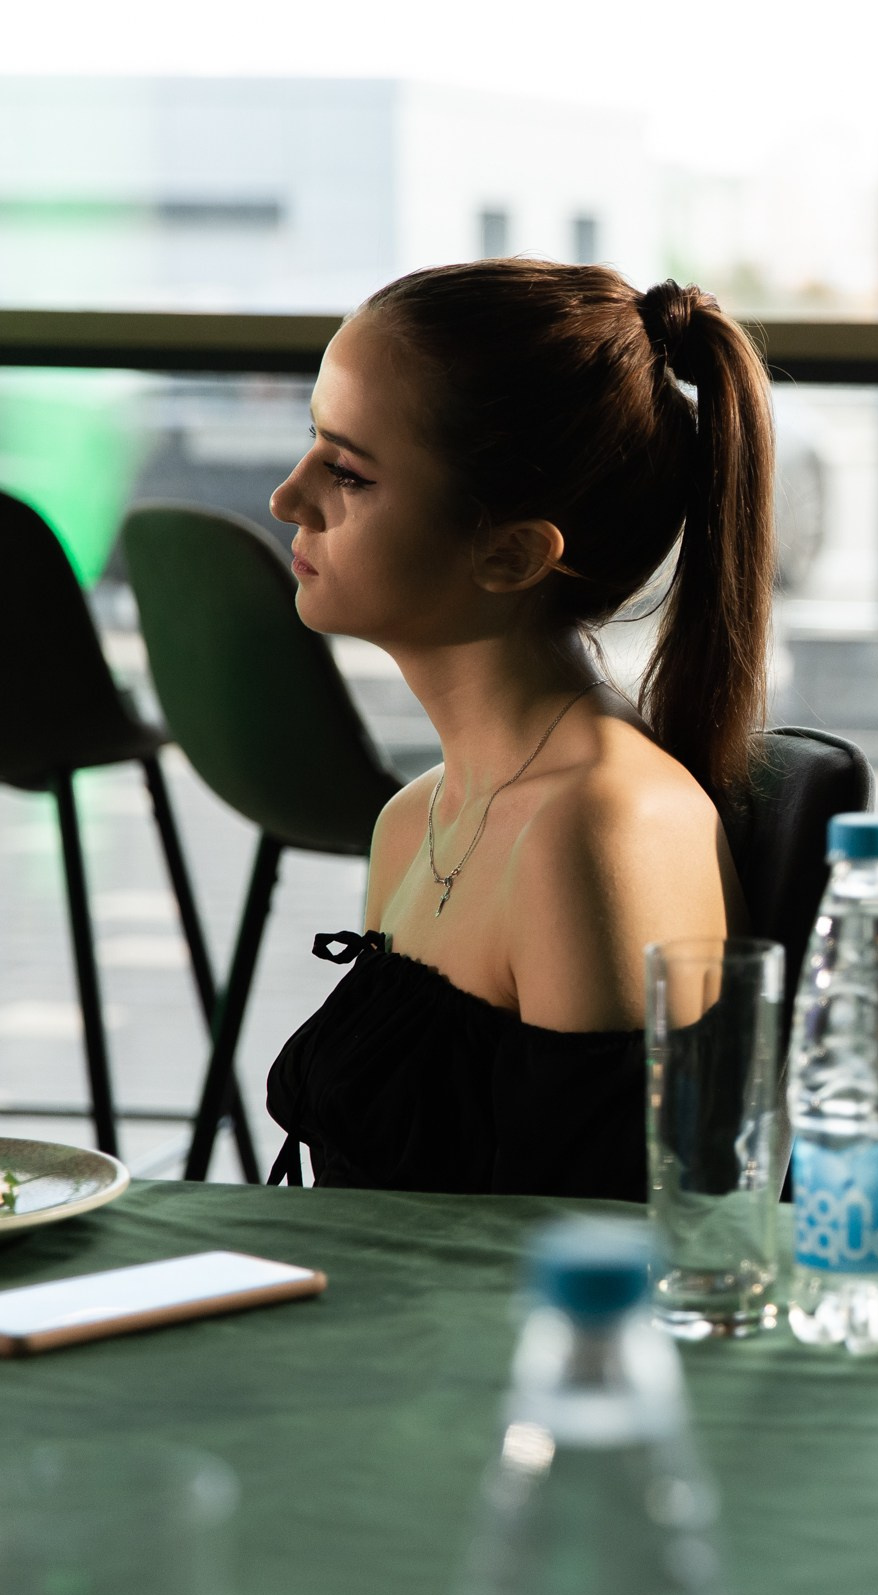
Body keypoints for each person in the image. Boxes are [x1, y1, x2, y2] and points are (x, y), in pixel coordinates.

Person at [262, 260, 774, 1198]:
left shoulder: (600, 827)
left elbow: (617, 1252)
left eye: (346, 471)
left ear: (512, 552)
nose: (288, 499)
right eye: (312, 441)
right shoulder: (415, 819)